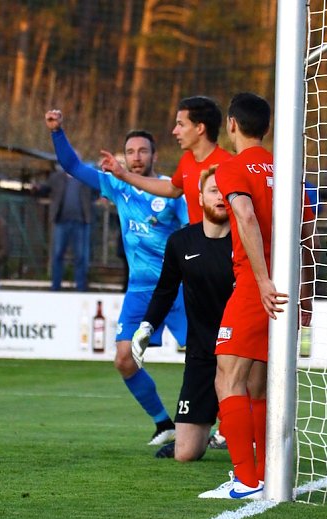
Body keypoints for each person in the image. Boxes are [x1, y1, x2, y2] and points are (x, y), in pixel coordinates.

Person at [45, 108, 189, 445]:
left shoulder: (172, 191)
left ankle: (221, 427)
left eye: (143, 151)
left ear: (155, 155)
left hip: (178, 288)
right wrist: (57, 132)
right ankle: (163, 424)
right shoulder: (118, 186)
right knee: (125, 359)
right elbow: (73, 167)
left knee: (208, 357)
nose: (136, 158)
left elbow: (193, 231)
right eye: (130, 152)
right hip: (139, 291)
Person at [200, 93, 314, 500]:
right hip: (287, 285)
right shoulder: (289, 171)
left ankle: (246, 480)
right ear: (266, 127)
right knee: (260, 385)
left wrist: (262, 281)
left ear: (231, 124)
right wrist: (306, 294)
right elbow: (308, 237)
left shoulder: (232, 167)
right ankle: (265, 476)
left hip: (255, 283)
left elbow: (245, 215)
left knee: (227, 377)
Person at [131, 166, 233, 462]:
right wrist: (147, 327)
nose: (220, 196)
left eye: (226, 191)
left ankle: (240, 431)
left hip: (240, 354)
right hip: (201, 353)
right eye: (213, 190)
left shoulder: (246, 240)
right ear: (200, 197)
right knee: (186, 453)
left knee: (251, 440)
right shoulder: (181, 242)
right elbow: (165, 290)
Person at [100, 95, 232, 224]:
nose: (175, 131)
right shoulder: (188, 159)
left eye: (181, 124)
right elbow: (172, 189)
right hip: (197, 238)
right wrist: (123, 174)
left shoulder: (227, 166)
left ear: (199, 128)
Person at [44, 168, 98, 291]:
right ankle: (55, 286)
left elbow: (96, 192)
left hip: (81, 222)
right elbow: (46, 189)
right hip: (61, 221)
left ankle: (81, 287)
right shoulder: (57, 177)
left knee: (80, 256)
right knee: (57, 254)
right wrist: (36, 189)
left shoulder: (85, 177)